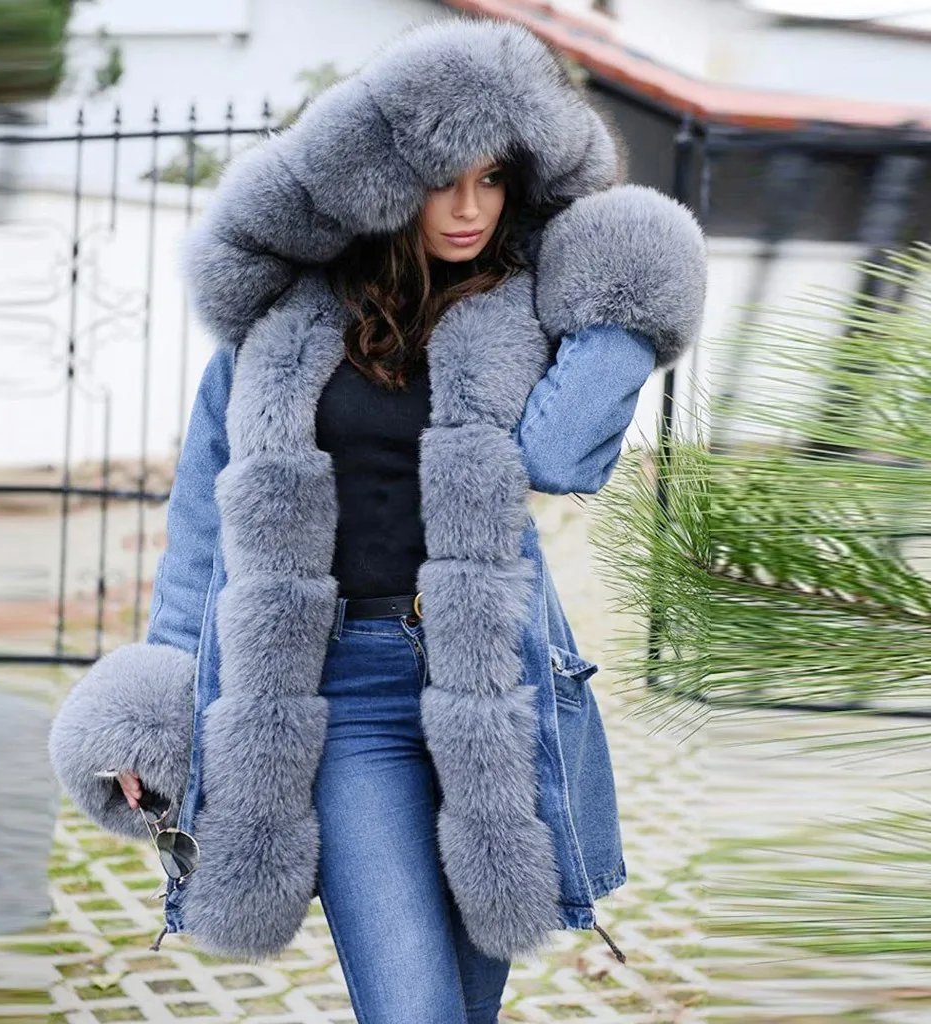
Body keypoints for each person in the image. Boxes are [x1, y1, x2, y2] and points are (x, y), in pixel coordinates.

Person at [49, 17, 706, 1024]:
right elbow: (202, 531)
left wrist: (626, 296)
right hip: (344, 697)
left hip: (490, 687)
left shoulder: (526, 309)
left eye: (493, 180)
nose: (469, 208)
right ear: (388, 181)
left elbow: (562, 455)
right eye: (445, 179)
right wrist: (160, 700)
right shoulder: (280, 326)